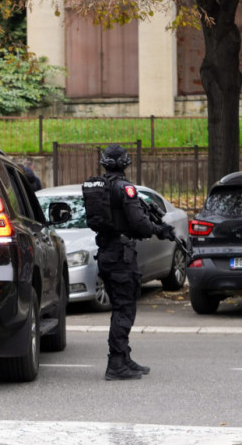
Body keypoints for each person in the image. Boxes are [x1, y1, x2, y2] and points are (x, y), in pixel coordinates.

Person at [93, 144, 175, 380]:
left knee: (120, 307)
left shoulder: (102, 188)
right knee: (124, 309)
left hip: (108, 252)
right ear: (125, 163)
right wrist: (160, 230)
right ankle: (116, 364)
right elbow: (138, 223)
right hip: (120, 256)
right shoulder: (125, 189)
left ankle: (123, 358)